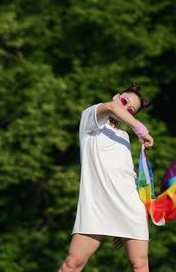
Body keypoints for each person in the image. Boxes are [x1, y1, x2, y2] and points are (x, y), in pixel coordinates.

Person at [59, 83, 154, 272]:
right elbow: (112, 108)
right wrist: (141, 129)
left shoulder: (124, 137)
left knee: (140, 265)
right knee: (72, 264)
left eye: (131, 110)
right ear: (116, 96)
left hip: (128, 207)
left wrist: (128, 217)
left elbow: (127, 175)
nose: (124, 109)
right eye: (124, 101)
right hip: (96, 206)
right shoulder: (91, 119)